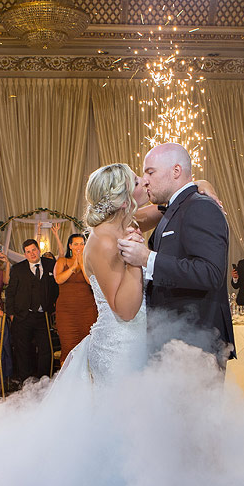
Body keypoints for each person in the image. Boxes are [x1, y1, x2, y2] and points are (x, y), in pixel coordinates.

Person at [118, 142, 234, 368]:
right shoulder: (172, 209)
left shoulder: (200, 206)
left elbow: (211, 273)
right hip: (173, 343)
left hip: (197, 344)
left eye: (150, 172)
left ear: (176, 171)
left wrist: (147, 258)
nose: (146, 180)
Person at [50, 163, 151, 387]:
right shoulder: (104, 241)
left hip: (136, 341)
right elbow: (125, 311)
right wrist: (136, 259)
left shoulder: (124, 224)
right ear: (123, 200)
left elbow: (168, 208)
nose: (145, 181)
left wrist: (200, 185)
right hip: (119, 348)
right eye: (136, 181)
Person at [4, 238, 58, 383]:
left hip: (43, 316)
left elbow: (56, 288)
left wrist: (54, 307)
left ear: (38, 250)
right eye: (28, 252)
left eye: (34, 250)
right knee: (23, 351)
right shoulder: (18, 269)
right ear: (25, 254)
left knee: (45, 350)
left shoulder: (50, 265)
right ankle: (26, 382)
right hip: (23, 316)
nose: (32, 253)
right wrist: (11, 315)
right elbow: (10, 293)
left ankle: (43, 381)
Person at [52, 234, 95, 365]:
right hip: (66, 312)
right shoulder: (62, 261)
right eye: (75, 244)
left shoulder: (90, 261)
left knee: (87, 347)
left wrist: (81, 264)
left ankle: (86, 383)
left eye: (82, 243)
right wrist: (73, 266)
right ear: (70, 246)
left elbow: (90, 282)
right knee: (68, 347)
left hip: (87, 310)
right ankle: (66, 383)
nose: (79, 247)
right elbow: (58, 279)